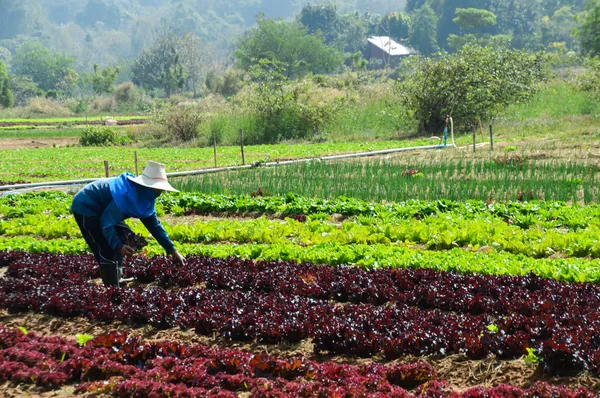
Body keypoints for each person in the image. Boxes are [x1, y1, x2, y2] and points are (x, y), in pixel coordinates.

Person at [71, 161, 186, 287]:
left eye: (161, 189)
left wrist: (172, 250)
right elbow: (106, 224)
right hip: (87, 207)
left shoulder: (145, 197)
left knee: (125, 238)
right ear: (148, 185)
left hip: (106, 211)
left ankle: (118, 278)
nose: (160, 192)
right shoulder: (125, 195)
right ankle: (112, 288)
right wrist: (118, 246)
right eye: (158, 189)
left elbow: (155, 226)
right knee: (104, 247)